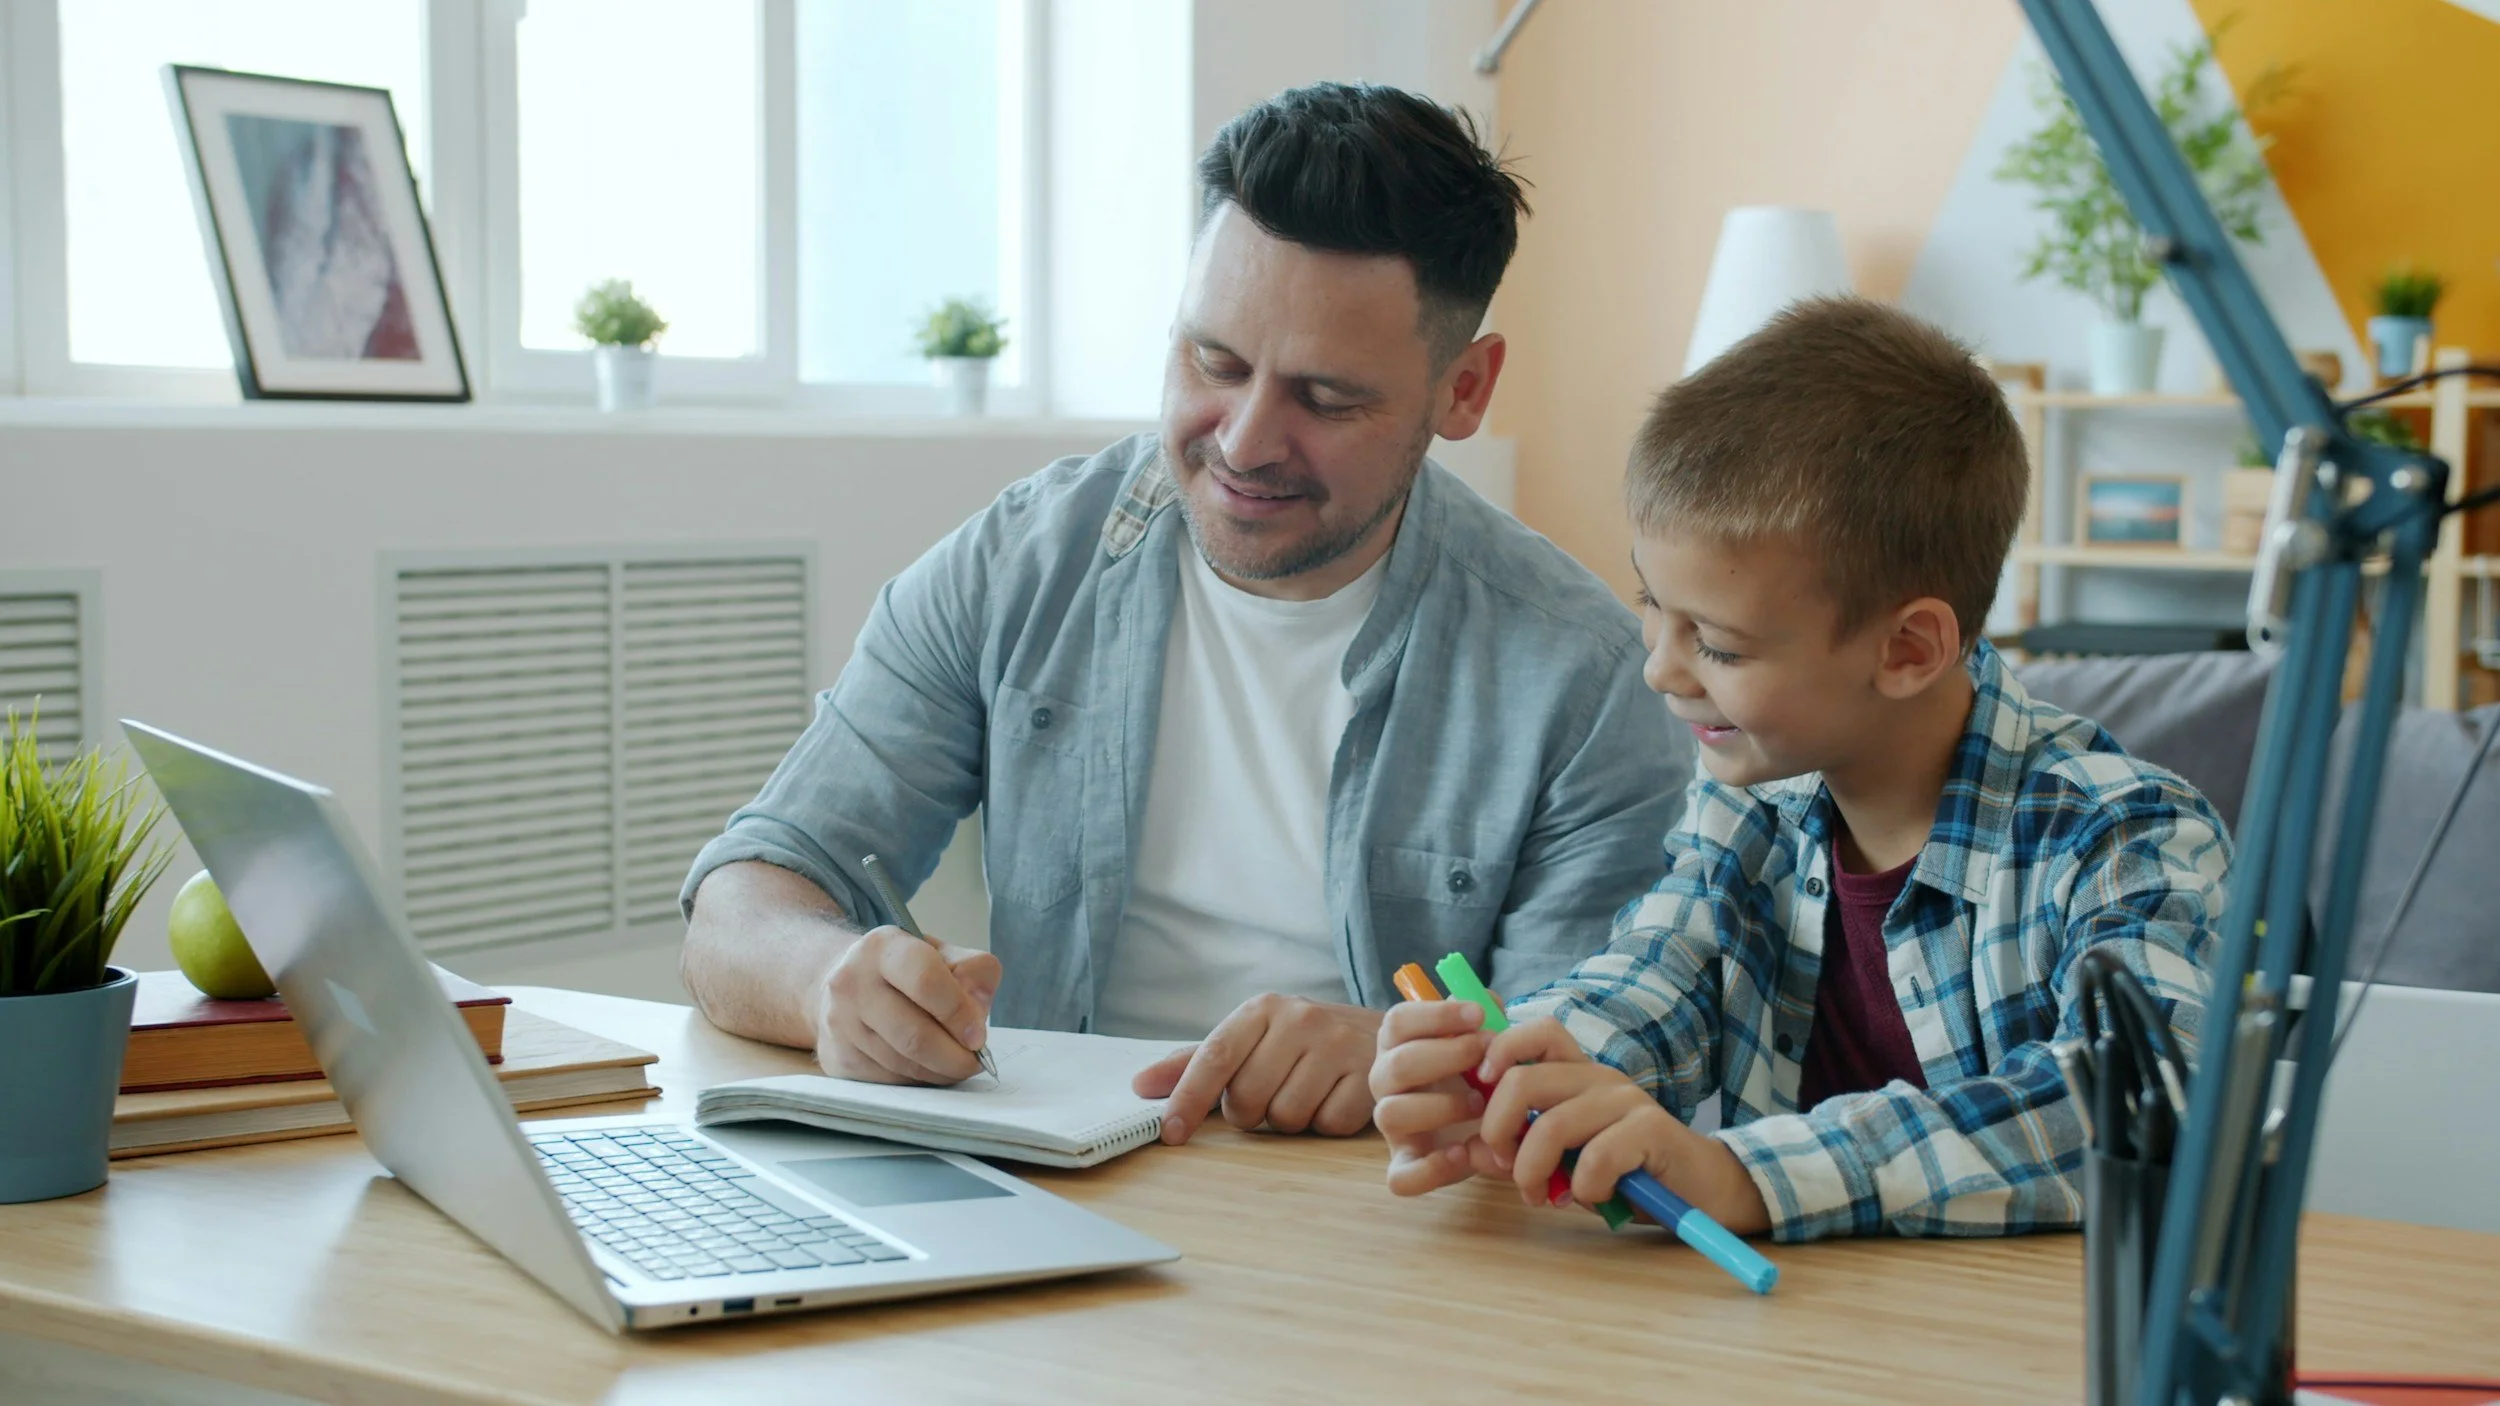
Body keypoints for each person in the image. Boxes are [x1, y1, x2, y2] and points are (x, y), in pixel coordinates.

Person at [679, 82, 1689, 1146]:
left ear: (1464, 391)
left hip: (1375, 1213)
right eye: (1213, 361)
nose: (1246, 441)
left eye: (1327, 398)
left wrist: (1401, 1054)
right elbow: (741, 899)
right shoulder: (1020, 563)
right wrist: (827, 978)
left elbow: (1590, 1057)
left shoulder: (1579, 677)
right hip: (1045, 1183)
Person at [1370, 297, 2226, 1240]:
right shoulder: (1756, 791)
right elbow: (1662, 973)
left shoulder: (2127, 838)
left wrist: (1742, 1175)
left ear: (1907, 649)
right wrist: (1526, 1065)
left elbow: (2133, 1104)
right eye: (1653, 604)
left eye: (1721, 647)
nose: (1659, 667)